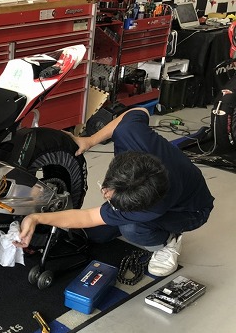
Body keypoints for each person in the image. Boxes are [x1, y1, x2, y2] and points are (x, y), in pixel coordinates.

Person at [15, 107, 214, 276]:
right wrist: (90, 140)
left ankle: (169, 241)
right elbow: (138, 111)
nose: (105, 194)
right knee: (96, 236)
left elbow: (88, 217)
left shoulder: (152, 207)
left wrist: (36, 218)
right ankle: (124, 221)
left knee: (131, 229)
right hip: (173, 182)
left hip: (191, 211)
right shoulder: (132, 134)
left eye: (111, 198)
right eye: (108, 190)